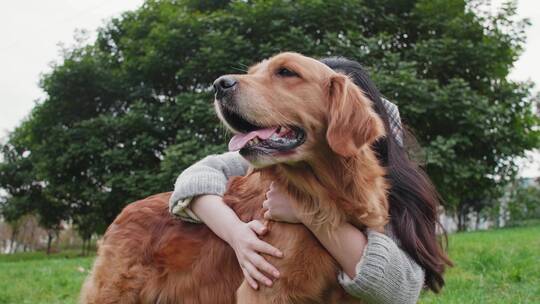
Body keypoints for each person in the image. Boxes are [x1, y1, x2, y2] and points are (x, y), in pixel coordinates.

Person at [168, 57, 452, 304]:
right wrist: (235, 233)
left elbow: (400, 293)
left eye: (286, 74)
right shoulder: (281, 163)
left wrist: (306, 212)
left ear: (341, 112)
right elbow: (198, 174)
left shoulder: (395, 189)